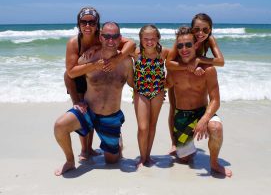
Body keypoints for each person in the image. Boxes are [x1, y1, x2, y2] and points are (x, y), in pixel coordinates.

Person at [54, 21, 134, 176]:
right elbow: (69, 74)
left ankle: (116, 141)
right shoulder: (88, 58)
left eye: (115, 36)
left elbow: (133, 85)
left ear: (120, 39)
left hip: (110, 116)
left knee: (112, 161)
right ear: (101, 37)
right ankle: (70, 161)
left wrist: (154, 91)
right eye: (107, 36)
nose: (111, 40)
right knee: (60, 126)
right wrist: (77, 102)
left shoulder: (126, 62)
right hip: (88, 111)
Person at [165, 26, 232, 177]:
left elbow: (215, 100)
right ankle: (188, 149)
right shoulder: (173, 69)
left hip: (202, 111)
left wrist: (205, 118)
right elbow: (165, 84)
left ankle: (214, 164)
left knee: (215, 127)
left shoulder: (208, 70)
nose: (184, 49)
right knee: (184, 159)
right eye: (180, 45)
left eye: (188, 44)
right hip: (182, 115)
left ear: (195, 45)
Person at [131, 25, 169, 168]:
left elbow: (178, 63)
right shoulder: (135, 53)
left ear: (158, 38)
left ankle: (148, 156)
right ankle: (142, 157)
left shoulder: (164, 53)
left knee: (152, 125)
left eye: (153, 38)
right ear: (140, 39)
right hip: (141, 92)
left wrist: (169, 82)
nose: (149, 42)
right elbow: (118, 50)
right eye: (145, 39)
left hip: (158, 92)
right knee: (143, 127)